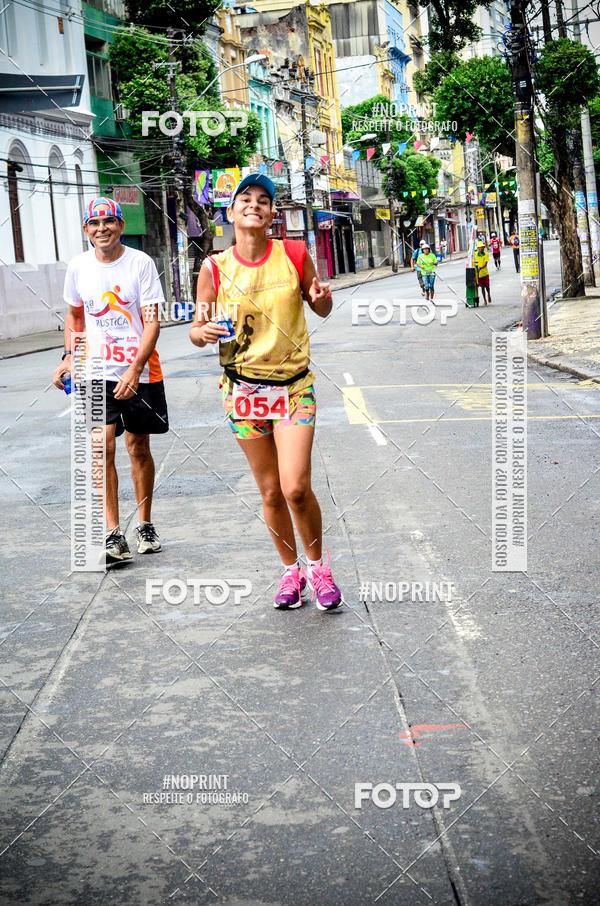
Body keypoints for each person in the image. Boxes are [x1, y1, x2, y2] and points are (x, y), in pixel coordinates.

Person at [189, 173, 342, 612]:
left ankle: (319, 568)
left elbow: (322, 308)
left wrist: (320, 295)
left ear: (273, 214)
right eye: (245, 199)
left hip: (294, 388)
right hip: (243, 392)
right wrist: (203, 332)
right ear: (231, 211)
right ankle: (290, 572)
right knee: (271, 492)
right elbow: (197, 329)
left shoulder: (293, 254)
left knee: (296, 487)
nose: (254, 205)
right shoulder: (214, 268)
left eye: (263, 200)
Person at [52, 197, 169, 565]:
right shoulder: (79, 267)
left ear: (120, 225)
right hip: (94, 369)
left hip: (141, 369)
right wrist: (69, 358)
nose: (101, 228)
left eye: (108, 221)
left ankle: (145, 525)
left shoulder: (141, 264)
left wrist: (134, 369)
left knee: (138, 448)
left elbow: (152, 321)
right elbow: (74, 316)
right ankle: (112, 533)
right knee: (102, 447)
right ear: (86, 230)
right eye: (94, 223)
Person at [474, 239, 492, 305]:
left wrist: (480, 268)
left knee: (487, 287)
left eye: (481, 247)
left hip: (485, 273)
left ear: (483, 248)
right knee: (482, 288)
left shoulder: (486, 254)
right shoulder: (475, 254)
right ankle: (484, 300)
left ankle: (489, 295)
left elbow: (485, 264)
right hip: (478, 274)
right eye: (479, 248)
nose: (480, 249)